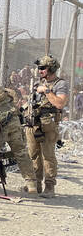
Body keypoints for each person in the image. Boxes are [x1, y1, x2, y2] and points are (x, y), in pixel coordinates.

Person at [24, 55, 68, 198]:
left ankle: (49, 187)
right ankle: (35, 184)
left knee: (48, 156)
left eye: (43, 68)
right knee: (33, 155)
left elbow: (60, 103)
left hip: (48, 125)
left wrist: (46, 91)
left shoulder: (60, 84)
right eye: (39, 68)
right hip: (33, 123)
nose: (40, 70)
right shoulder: (38, 83)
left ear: (51, 69)